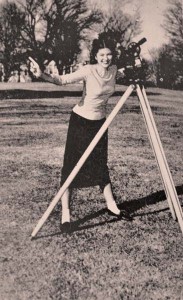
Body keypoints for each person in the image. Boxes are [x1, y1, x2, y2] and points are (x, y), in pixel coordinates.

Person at [29, 35, 131, 231]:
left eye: (109, 55)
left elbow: (127, 71)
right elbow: (61, 80)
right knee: (70, 167)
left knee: (101, 165)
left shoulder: (114, 71)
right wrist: (41, 74)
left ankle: (112, 206)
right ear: (95, 55)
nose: (106, 59)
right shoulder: (88, 70)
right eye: (102, 55)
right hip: (80, 123)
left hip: (101, 123)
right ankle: (66, 214)